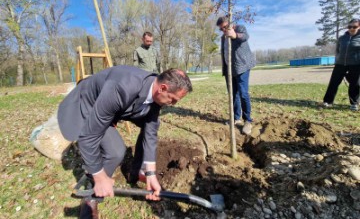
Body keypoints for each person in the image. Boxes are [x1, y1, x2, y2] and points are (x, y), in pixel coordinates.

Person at [57, 65, 192, 217]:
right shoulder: (122, 88)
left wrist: (150, 174)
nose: (173, 104)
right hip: (88, 105)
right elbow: (88, 137)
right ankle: (91, 194)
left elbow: (151, 132)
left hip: (113, 108)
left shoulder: (155, 93)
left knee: (148, 127)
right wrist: (100, 177)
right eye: (173, 100)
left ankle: (136, 171)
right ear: (162, 88)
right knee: (115, 152)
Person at [217, 16, 256, 135]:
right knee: (233, 94)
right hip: (229, 70)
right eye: (221, 29)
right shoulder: (223, 37)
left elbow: (245, 37)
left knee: (243, 93)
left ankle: (248, 121)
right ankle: (236, 118)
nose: (223, 30)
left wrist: (234, 35)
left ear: (230, 23)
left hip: (241, 67)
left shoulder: (239, 28)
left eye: (224, 27)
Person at [322, 18, 360, 111]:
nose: (351, 28)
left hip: (355, 64)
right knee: (334, 83)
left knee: (355, 84)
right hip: (340, 64)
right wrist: (338, 59)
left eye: (354, 27)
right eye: (349, 26)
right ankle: (328, 101)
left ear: (359, 27)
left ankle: (354, 103)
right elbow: (338, 50)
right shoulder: (342, 38)